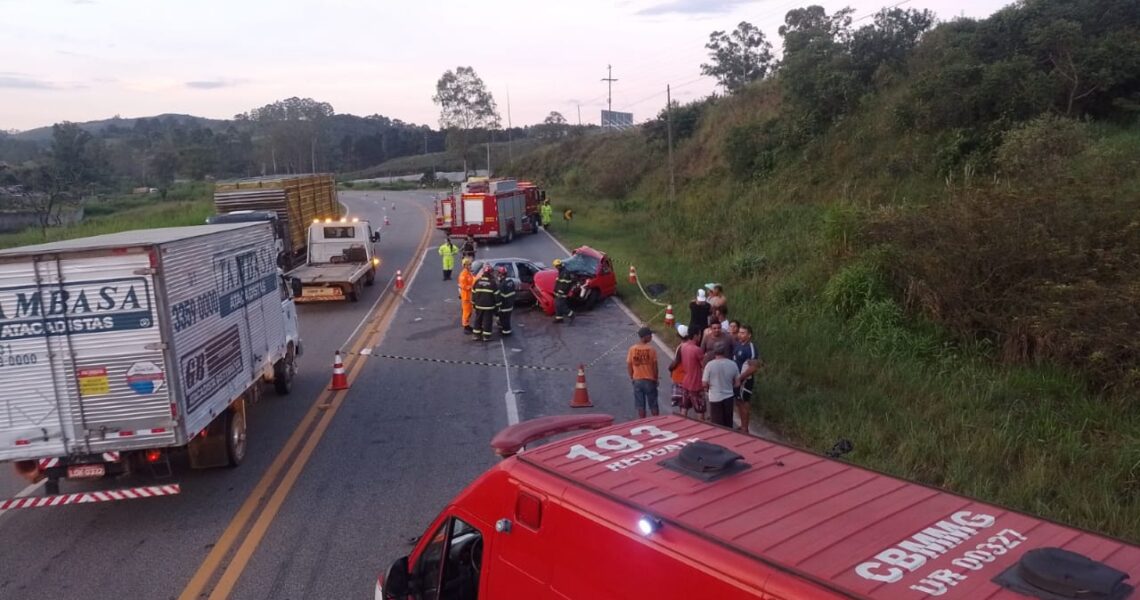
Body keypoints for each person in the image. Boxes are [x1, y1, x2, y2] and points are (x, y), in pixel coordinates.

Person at [668, 328, 705, 419]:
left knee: (684, 407)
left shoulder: (683, 347)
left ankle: (682, 425)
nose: (700, 337)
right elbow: (704, 365)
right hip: (696, 384)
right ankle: (701, 429)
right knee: (700, 409)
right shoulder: (697, 350)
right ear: (695, 336)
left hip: (685, 382)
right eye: (700, 335)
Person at [733, 325, 763, 433]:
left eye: (743, 333)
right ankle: (742, 425)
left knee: (744, 403)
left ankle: (745, 429)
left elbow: (753, 367)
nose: (740, 334)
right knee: (738, 402)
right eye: (739, 332)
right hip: (737, 379)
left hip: (745, 381)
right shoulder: (738, 345)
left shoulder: (751, 348)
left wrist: (740, 378)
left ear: (749, 335)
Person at [703, 345, 739, 428]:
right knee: (728, 423)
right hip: (729, 397)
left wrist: (709, 388)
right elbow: (737, 383)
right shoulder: (733, 364)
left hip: (715, 398)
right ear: (725, 352)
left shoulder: (709, 365)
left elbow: (704, 383)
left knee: (717, 425)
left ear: (714, 352)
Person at [626, 327, 659, 418]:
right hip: (649, 380)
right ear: (645, 337)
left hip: (637, 380)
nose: (651, 337)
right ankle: (656, 421)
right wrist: (656, 378)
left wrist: (632, 377)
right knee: (653, 404)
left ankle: (642, 422)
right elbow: (655, 367)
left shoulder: (632, 349)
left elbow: (629, 364)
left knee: (640, 405)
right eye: (650, 335)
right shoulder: (652, 350)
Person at [471, 266, 498, 342]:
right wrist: (497, 305)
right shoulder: (492, 283)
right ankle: (486, 336)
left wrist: (473, 304)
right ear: (490, 273)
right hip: (488, 306)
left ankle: (476, 335)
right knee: (487, 321)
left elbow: (473, 293)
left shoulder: (477, 281)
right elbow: (496, 296)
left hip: (478, 305)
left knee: (478, 320)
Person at [496, 266, 516, 336]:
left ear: (501, 274)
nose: (498, 275)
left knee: (504, 320)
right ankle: (507, 330)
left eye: (499, 273)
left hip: (504, 307)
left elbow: (499, 297)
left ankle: (506, 332)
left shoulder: (502, 285)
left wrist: (498, 306)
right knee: (507, 318)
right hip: (510, 305)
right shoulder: (511, 281)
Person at [458, 257, 476, 334]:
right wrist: (472, 287)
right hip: (466, 297)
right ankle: (465, 326)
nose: (470, 266)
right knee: (466, 312)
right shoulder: (463, 275)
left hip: (469, 296)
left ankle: (467, 325)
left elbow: (473, 279)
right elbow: (463, 286)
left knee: (469, 311)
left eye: (470, 264)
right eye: (469, 265)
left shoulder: (468, 273)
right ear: (465, 265)